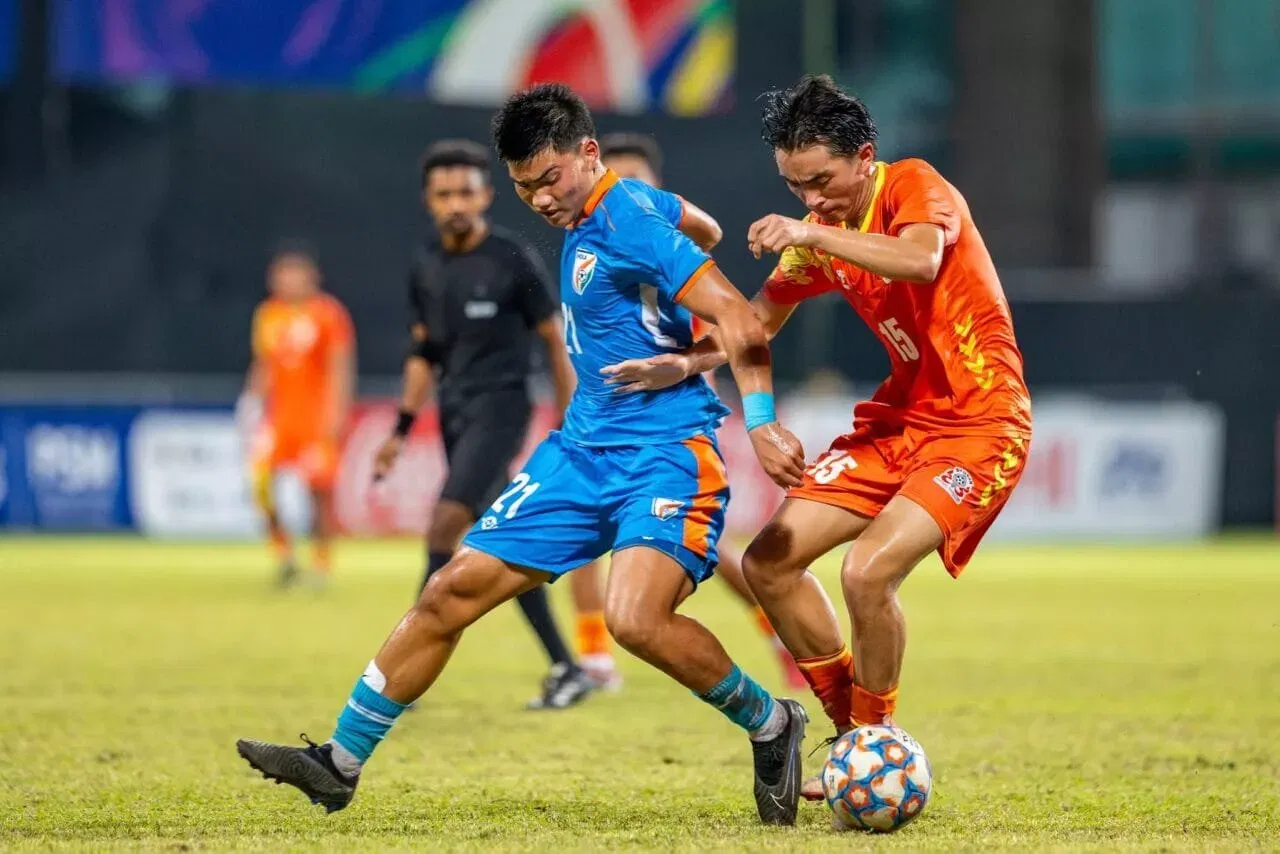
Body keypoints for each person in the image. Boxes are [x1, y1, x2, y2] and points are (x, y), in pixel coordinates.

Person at [235, 83, 812, 826]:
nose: (540, 199)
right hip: (580, 452)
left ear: (588, 153)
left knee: (634, 620)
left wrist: (760, 421)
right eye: (524, 187)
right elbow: (703, 224)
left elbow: (736, 313)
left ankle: (772, 724)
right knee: (449, 590)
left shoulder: (626, 218)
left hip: (666, 452)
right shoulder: (616, 211)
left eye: (550, 179)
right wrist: (675, 240)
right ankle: (337, 763)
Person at [602, 75, 1033, 799]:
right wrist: (688, 361)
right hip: (900, 422)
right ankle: (852, 741)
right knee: (770, 562)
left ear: (864, 157)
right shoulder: (821, 239)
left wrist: (808, 231)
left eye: (821, 181)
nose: (810, 200)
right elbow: (756, 322)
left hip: (980, 424)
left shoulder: (913, 187)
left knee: (866, 573)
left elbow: (920, 259)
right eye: (795, 188)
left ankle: (876, 735)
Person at [561, 131, 803, 691]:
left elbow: (728, 327)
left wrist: (699, 375)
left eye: (632, 183)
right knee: (583, 529)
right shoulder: (591, 248)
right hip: (606, 421)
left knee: (715, 551)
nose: (616, 195)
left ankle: (777, 633)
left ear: (657, 188)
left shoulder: (667, 252)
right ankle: (594, 658)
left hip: (670, 422)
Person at [370, 139, 595, 711]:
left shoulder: (511, 258)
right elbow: (425, 353)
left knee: (445, 526)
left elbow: (553, 338)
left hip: (503, 408)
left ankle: (398, 672)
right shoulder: (425, 264)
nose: (456, 203)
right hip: (455, 410)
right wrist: (399, 430)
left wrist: (572, 414)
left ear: (486, 195)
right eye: (444, 194)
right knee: (506, 546)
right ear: (428, 200)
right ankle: (567, 666)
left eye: (466, 192)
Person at [239, 244, 354, 588]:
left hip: (316, 420)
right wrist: (249, 402)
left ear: (312, 277)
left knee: (317, 493)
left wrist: (337, 415)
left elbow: (340, 367)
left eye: (296, 274)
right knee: (259, 485)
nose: (288, 282)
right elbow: (264, 365)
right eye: (282, 275)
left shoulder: (328, 314)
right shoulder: (268, 314)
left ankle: (320, 564)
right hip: (278, 420)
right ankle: (283, 553)